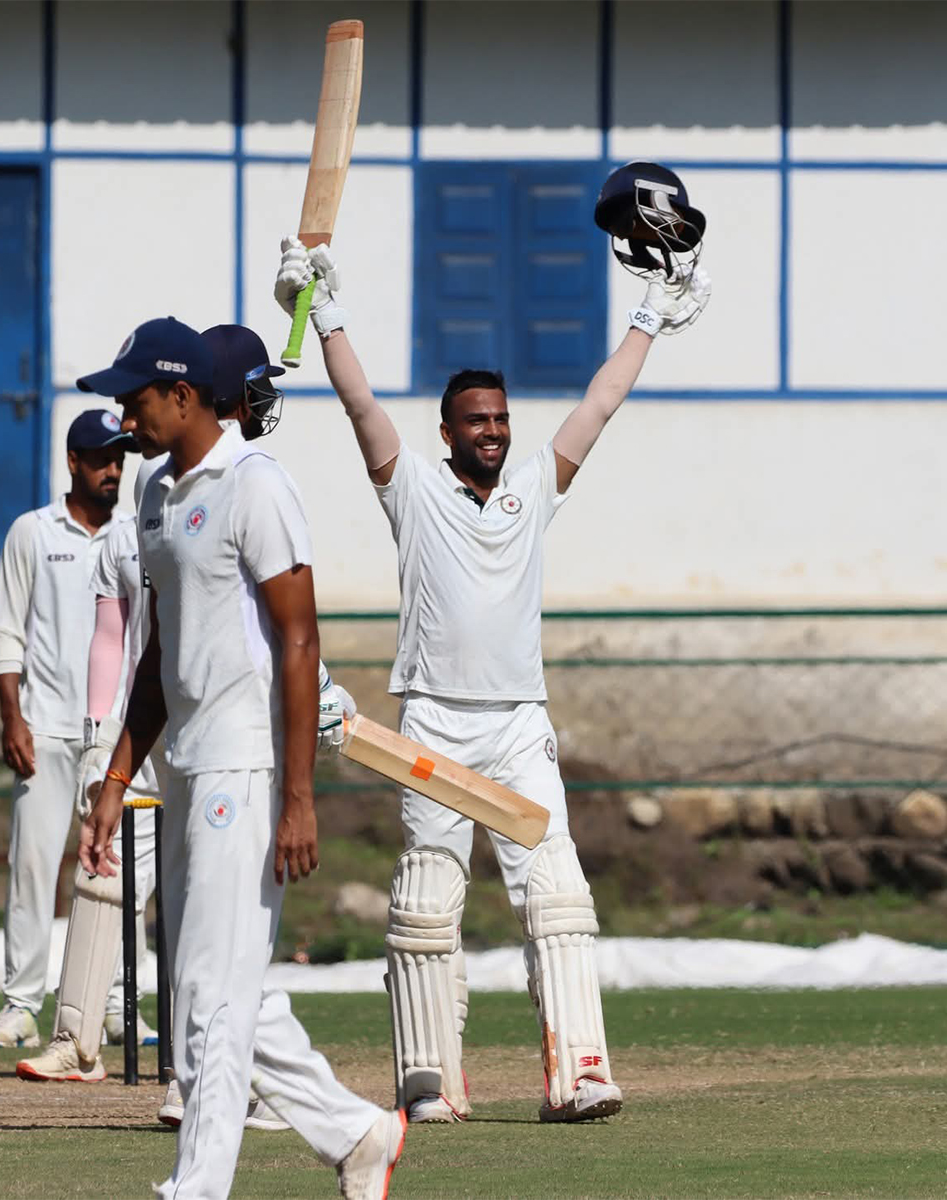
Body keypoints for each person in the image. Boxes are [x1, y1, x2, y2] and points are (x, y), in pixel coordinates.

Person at [273, 228, 710, 1123]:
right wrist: (324, 312)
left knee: (557, 894)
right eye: (477, 421)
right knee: (427, 902)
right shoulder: (412, 489)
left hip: (517, 724)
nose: (494, 432)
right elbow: (360, 408)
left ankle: (579, 1072)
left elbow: (600, 404)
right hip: (433, 722)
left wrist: (648, 316)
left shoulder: (532, 491)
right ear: (448, 431)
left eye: (502, 420)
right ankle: (430, 1082)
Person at [77, 317, 404, 1199]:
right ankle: (358, 1134)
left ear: (183, 395)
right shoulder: (152, 492)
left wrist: (299, 796)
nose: (125, 418)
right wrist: (115, 780)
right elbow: (158, 651)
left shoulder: (256, 485)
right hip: (185, 767)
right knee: (216, 987)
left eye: (136, 399)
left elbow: (300, 641)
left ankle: (196, 1188)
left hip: (249, 769)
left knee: (212, 1003)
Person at [0, 409, 134, 1048]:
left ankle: (119, 1005)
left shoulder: (133, 535)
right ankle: (21, 1006)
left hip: (114, 734)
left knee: (118, 871)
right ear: (73, 462)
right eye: (101, 460)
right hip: (43, 727)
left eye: (119, 459)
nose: (112, 470)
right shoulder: (33, 532)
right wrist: (12, 717)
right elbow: (6, 629)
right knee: (33, 867)